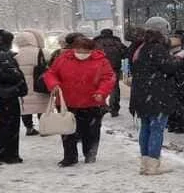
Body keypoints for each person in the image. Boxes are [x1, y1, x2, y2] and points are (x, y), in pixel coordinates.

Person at [43, 34, 116, 167]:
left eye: (85, 51)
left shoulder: (101, 61)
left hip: (92, 102)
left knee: (91, 131)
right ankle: (70, 157)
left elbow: (108, 78)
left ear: (92, 50)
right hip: (67, 102)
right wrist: (53, 84)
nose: (81, 54)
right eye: (79, 50)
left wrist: (101, 92)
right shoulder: (63, 58)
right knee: (67, 130)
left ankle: (90, 154)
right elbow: (51, 73)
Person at [129, 16, 180, 175]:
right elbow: (169, 68)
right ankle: (153, 163)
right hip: (156, 93)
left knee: (145, 127)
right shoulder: (156, 48)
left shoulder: (140, 47)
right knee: (157, 128)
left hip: (141, 93)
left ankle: (145, 162)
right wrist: (178, 58)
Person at [0, 28, 27, 165]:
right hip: (7, 94)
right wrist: (19, 81)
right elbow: (12, 76)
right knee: (10, 124)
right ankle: (9, 154)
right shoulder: (4, 56)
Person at [15, 30, 50, 136]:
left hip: (24, 86)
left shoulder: (16, 55)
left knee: (26, 107)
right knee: (42, 106)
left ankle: (29, 128)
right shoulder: (43, 52)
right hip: (39, 84)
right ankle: (44, 127)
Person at [94, 28, 127, 117]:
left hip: (99, 69)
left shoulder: (96, 42)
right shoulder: (116, 41)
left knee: (99, 87)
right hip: (114, 68)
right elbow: (125, 53)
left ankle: (101, 106)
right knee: (114, 88)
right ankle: (114, 108)